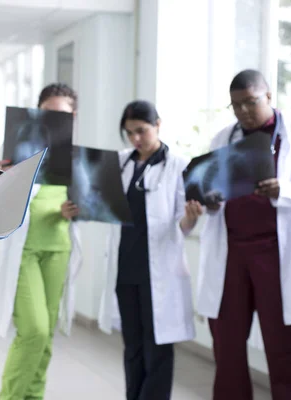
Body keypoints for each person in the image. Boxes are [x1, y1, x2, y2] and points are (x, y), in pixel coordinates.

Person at [196, 69, 291, 400]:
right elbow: (210, 188)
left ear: (268, 97)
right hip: (231, 251)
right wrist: (210, 202)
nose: (244, 111)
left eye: (251, 102)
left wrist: (283, 189)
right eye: (236, 105)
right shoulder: (223, 139)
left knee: (283, 341)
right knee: (226, 339)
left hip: (276, 252)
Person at [0, 83, 82, 400]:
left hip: (58, 249)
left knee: (46, 334)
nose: (54, 121)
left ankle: (34, 396)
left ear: (74, 117)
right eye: (48, 115)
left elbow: (88, 203)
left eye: (61, 115)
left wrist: (74, 209)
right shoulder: (16, 151)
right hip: (22, 251)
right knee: (33, 331)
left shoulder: (78, 159)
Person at [97, 100, 200, 400]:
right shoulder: (120, 162)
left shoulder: (179, 165)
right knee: (133, 347)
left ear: (158, 124)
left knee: (158, 348)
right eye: (129, 133)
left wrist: (190, 218)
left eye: (141, 131)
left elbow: (183, 222)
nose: (135, 139)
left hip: (160, 271)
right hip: (126, 268)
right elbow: (102, 203)